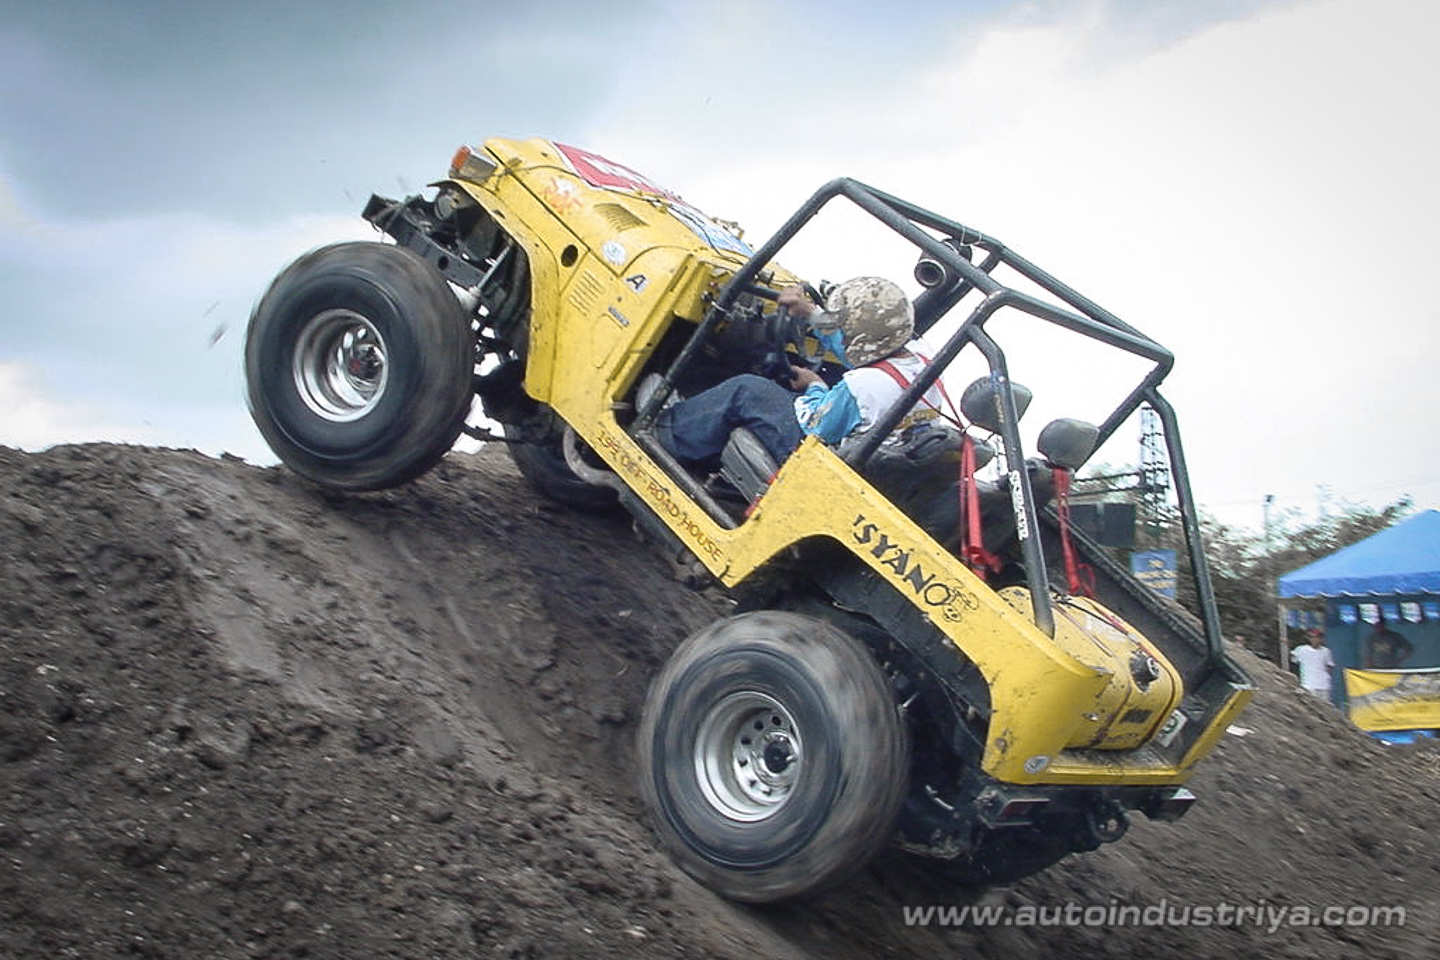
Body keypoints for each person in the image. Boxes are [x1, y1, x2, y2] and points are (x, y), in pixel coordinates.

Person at [655, 277, 946, 466]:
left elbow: (815, 423)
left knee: (747, 390)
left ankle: (667, 436)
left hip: (818, 462)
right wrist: (809, 313)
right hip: (874, 457)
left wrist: (814, 384)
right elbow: (856, 346)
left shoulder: (865, 386)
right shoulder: (924, 361)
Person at [1291, 628, 1335, 699]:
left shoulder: (1326, 651)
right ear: (1309, 638)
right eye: (1314, 637)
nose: (1316, 640)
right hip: (1308, 686)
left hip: (1324, 686)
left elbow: (1329, 666)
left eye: (1319, 637)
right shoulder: (1301, 649)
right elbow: (1293, 660)